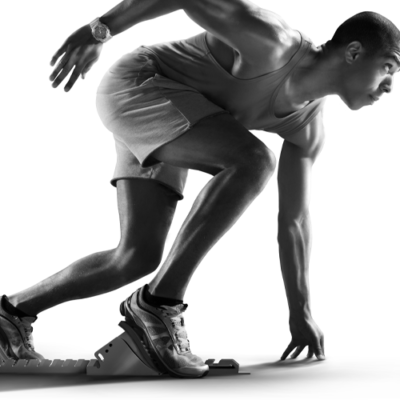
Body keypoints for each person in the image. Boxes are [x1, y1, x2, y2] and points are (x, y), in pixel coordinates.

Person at [1, 0, 399, 379]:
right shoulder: (273, 44)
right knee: (253, 160)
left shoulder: (308, 128)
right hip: (142, 83)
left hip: (184, 116)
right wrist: (99, 31)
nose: (389, 88)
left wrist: (301, 311)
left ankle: (9, 317)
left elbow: (293, 221)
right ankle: (158, 309)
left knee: (136, 256)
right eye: (389, 68)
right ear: (353, 52)